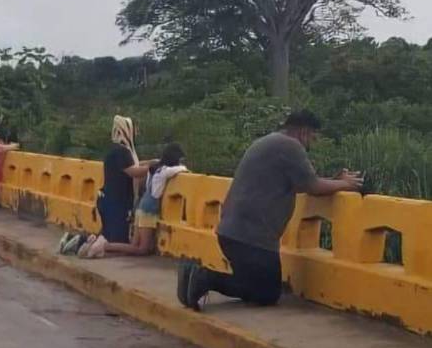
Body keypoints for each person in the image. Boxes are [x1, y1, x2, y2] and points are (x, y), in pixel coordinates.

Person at [180, 110, 363, 311]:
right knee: (267, 293)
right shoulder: (291, 146)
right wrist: (346, 184)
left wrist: (334, 181)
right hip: (252, 239)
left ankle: (195, 276)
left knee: (251, 282)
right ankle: (205, 278)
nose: (312, 142)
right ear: (303, 131)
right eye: (313, 137)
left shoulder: (269, 142)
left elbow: (301, 182)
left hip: (232, 232)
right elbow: (313, 186)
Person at [84, 143, 188, 258]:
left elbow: (140, 167)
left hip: (141, 206)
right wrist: (184, 168)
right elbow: (180, 169)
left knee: (133, 246)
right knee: (142, 249)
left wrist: (156, 162)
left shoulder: (154, 170)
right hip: (149, 210)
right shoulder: (164, 171)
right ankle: (104, 246)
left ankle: (100, 249)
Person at [95, 115, 156, 245]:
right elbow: (134, 171)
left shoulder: (116, 149)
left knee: (108, 235)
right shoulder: (122, 151)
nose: (136, 133)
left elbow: (134, 165)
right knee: (116, 240)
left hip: (108, 198)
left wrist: (152, 162)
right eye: (134, 129)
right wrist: (152, 167)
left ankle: (83, 243)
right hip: (116, 202)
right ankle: (91, 248)